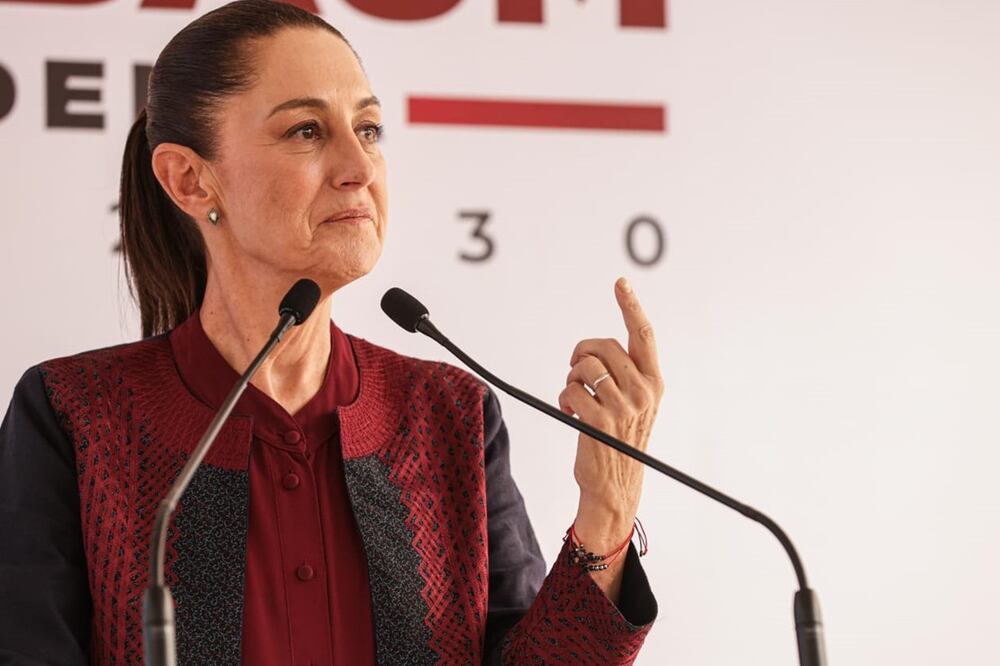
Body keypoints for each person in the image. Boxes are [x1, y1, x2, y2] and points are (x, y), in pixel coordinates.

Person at [0, 1, 664, 663]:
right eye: (306, 132)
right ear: (189, 178)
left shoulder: (453, 415)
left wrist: (606, 512)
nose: (359, 167)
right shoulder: (72, 413)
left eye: (369, 129)